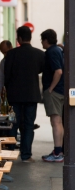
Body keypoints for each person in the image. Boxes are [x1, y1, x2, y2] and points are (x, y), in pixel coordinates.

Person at [4, 26, 45, 162]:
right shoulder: (39, 54)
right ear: (30, 38)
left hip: (14, 95)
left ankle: (10, 153)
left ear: (19, 39)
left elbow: (7, 75)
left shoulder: (11, 54)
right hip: (31, 94)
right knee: (28, 125)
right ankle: (26, 155)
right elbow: (40, 71)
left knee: (13, 124)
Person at [40, 29, 64, 162]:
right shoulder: (58, 50)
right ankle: (58, 151)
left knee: (55, 122)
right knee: (58, 122)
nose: (41, 43)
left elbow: (58, 71)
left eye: (42, 40)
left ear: (46, 40)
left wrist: (50, 88)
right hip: (61, 91)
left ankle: (57, 153)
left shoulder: (51, 52)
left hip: (54, 91)